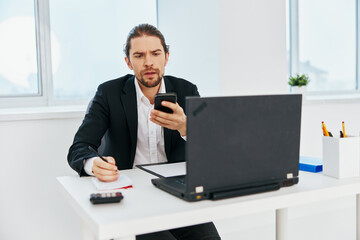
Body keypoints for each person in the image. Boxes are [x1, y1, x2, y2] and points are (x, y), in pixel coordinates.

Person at [67, 23, 221, 240]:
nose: (148, 62)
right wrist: (94, 165)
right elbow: (79, 148)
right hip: (131, 197)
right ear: (128, 62)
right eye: (139, 55)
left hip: (177, 194)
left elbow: (213, 148)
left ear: (166, 57)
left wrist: (186, 127)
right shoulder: (108, 93)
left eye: (155, 53)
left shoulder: (187, 90)